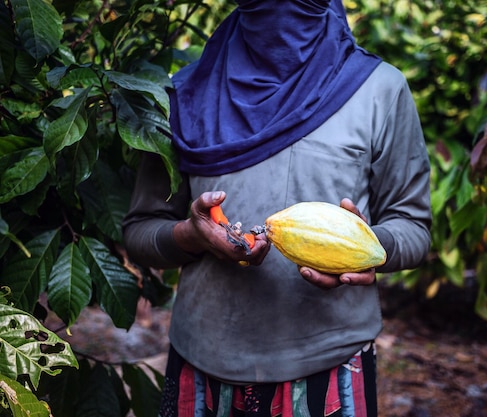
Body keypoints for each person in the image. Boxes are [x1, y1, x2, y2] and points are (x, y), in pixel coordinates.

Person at [122, 0, 431, 415]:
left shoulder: (378, 88)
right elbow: (141, 230)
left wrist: (370, 248)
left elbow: (413, 226)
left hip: (330, 361)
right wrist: (189, 236)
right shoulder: (185, 95)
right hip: (204, 359)